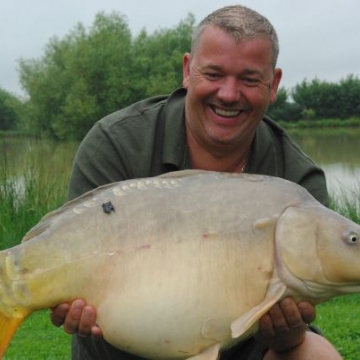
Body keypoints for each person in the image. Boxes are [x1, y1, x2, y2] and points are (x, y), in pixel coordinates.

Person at [50, 4, 343, 360]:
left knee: (314, 352)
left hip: (241, 351)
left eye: (249, 80)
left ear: (274, 84)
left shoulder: (298, 179)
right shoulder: (116, 142)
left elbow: (291, 333)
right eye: (214, 74)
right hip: (124, 348)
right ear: (188, 70)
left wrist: (289, 332)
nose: (229, 94)